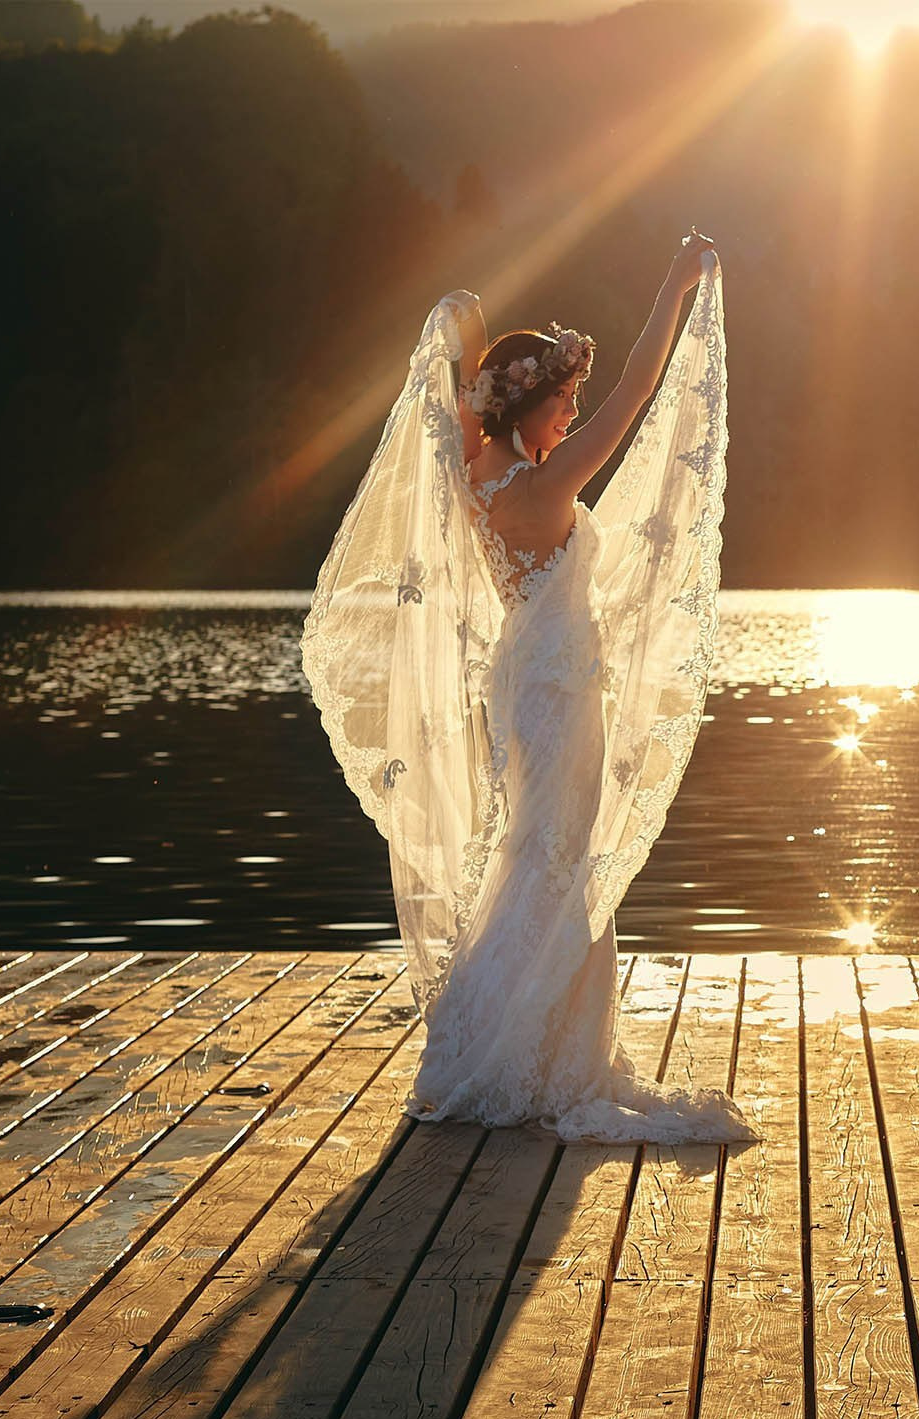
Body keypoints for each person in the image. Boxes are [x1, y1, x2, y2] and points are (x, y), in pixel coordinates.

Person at [301, 231, 754, 1146]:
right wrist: (674, 280)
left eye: (570, 404)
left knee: (536, 855)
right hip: (554, 692)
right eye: (560, 404)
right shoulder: (541, 492)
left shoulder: (476, 477)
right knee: (559, 856)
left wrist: (480, 346)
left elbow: (477, 368)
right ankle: (533, 1054)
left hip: (529, 685)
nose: (570, 418)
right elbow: (635, 395)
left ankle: (507, 1036)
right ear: (527, 409)